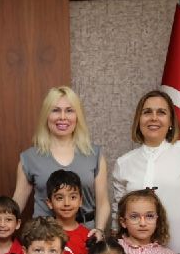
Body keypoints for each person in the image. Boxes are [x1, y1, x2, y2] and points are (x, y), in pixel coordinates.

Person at [112, 90, 180, 252]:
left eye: (161, 112)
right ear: (138, 120)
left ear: (171, 121)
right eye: (147, 112)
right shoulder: (124, 163)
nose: (154, 118)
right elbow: (118, 214)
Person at [13, 85, 109, 237]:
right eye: (55, 110)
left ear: (77, 116)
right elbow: (16, 204)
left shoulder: (94, 155)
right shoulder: (29, 158)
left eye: (69, 110)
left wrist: (100, 230)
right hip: (43, 237)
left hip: (86, 236)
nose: (62, 117)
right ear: (46, 115)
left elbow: (102, 202)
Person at [46, 170, 90, 254]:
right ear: (49, 203)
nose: (66, 203)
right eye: (60, 198)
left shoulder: (88, 235)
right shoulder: (45, 234)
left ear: (81, 201)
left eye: (73, 197)